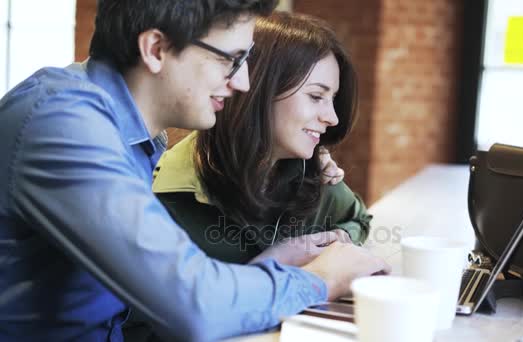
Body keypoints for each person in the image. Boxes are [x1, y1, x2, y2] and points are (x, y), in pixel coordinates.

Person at [0, 1, 390, 341]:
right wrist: (322, 279)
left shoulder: (136, 138)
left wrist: (274, 263)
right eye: (230, 59)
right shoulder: (63, 123)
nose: (243, 82)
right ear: (156, 49)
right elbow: (194, 305)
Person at [152, 11, 372, 267]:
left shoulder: (313, 174)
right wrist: (278, 263)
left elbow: (359, 220)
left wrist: (339, 241)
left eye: (332, 99)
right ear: (258, 90)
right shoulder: (164, 197)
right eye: (315, 96)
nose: (332, 117)